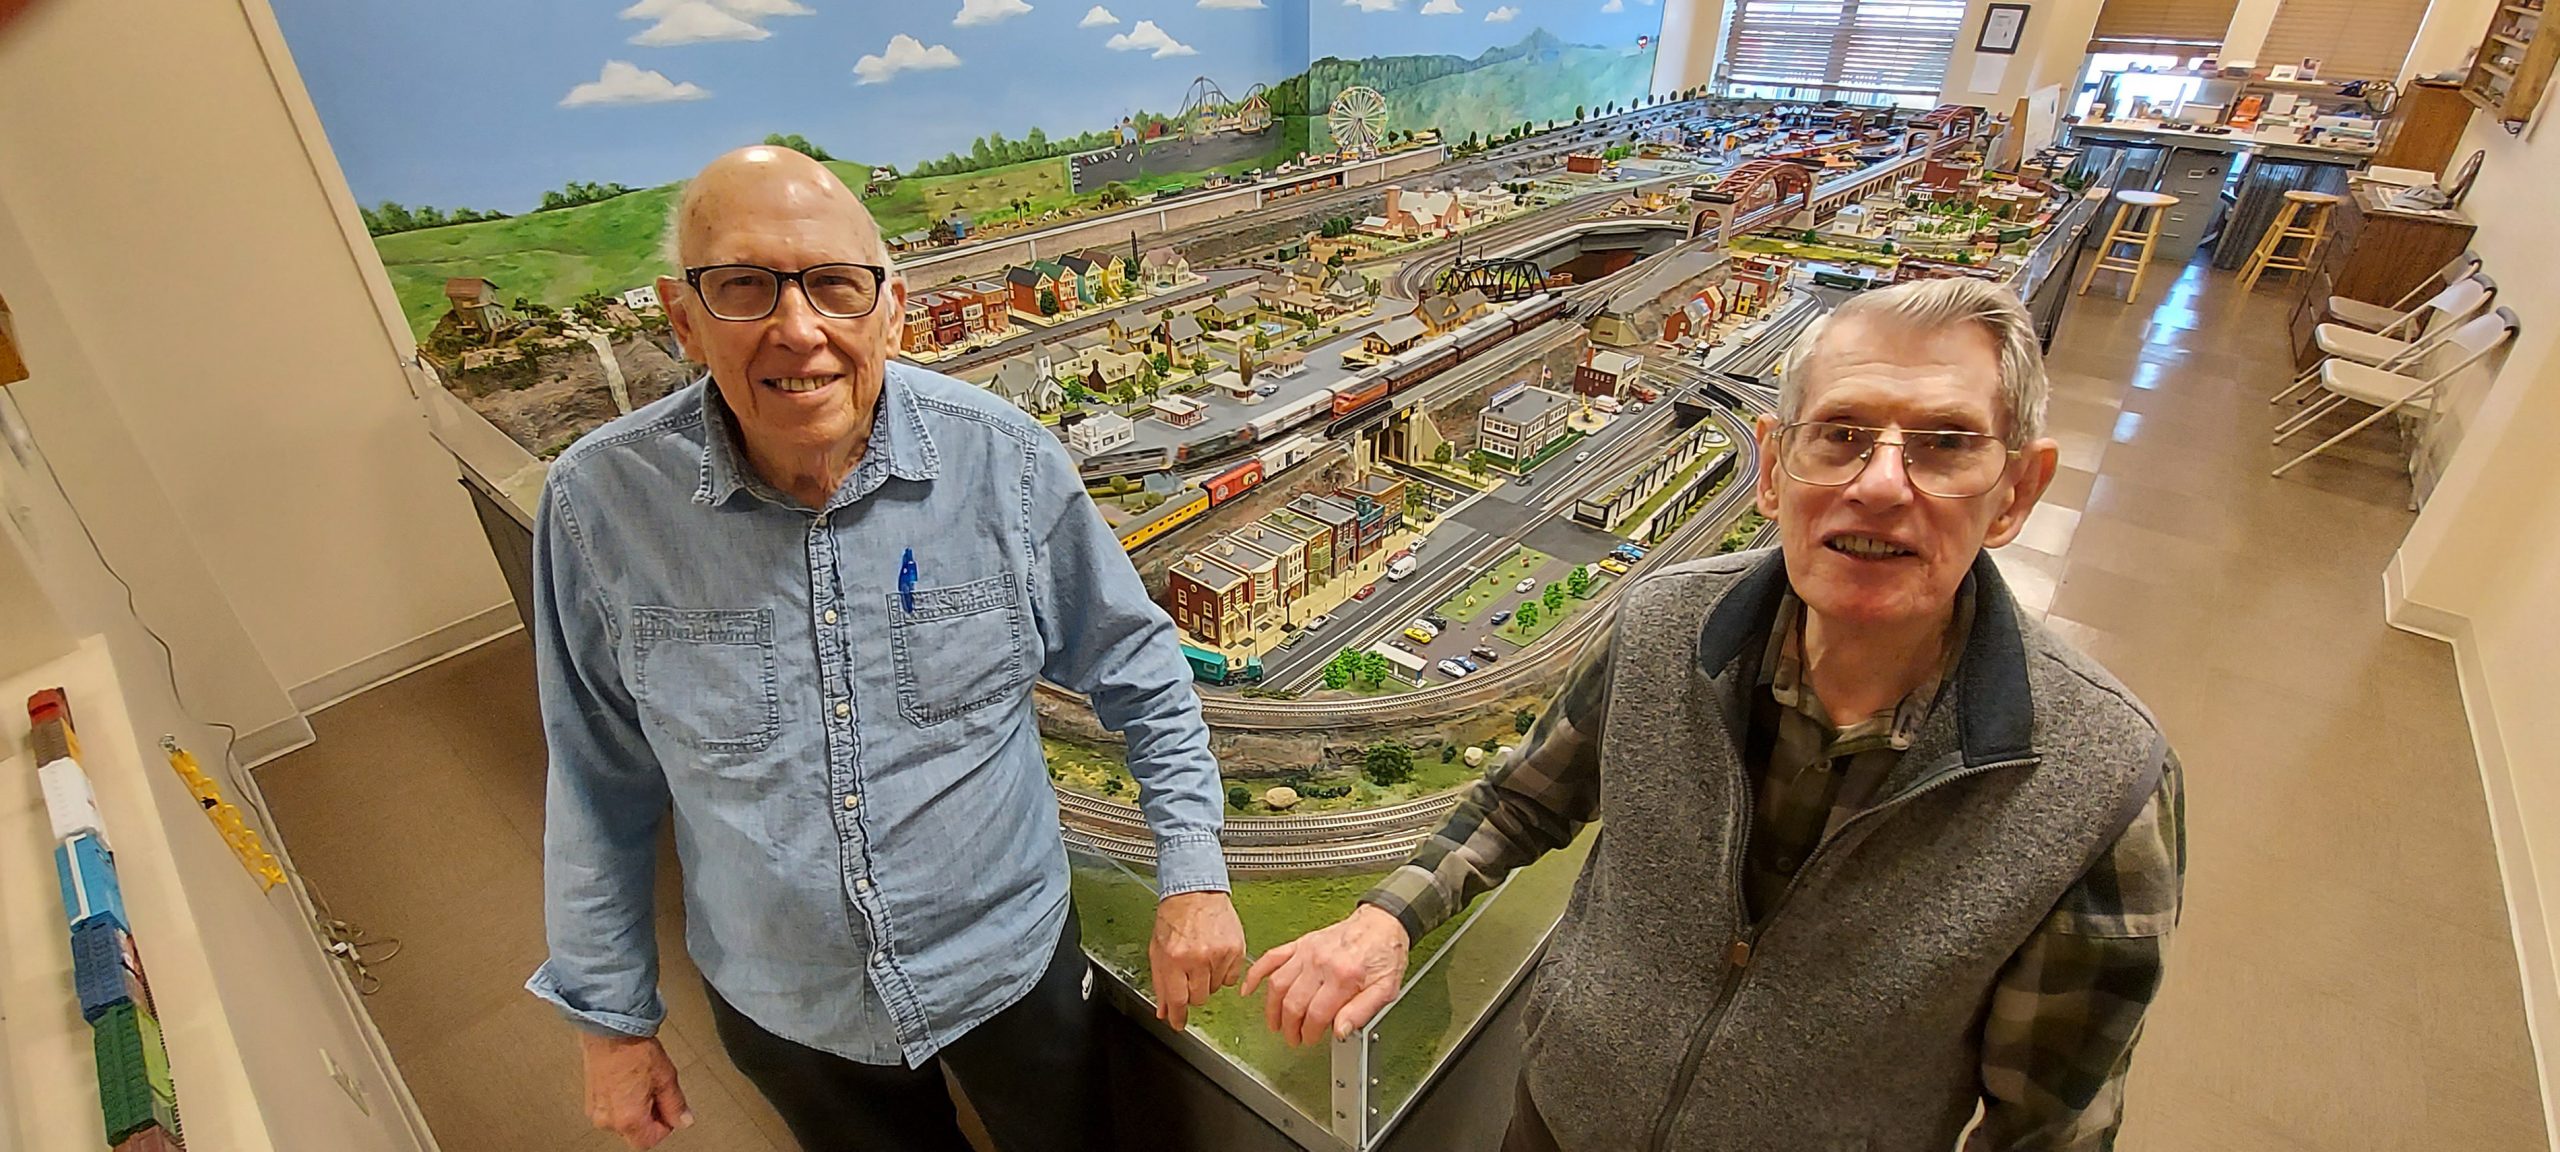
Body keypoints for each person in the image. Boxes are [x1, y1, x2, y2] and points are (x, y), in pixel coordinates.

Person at [1246, 279, 2185, 1150]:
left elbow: (2047, 1130)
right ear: (1775, 469)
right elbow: (1522, 801)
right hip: (1559, 1121)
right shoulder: (1662, 624)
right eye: (1842, 434)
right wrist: (1389, 921)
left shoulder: (2097, 780)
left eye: (1944, 444)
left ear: (2016, 490)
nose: (1881, 484)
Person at [525, 146, 1246, 1152]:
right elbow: (595, 778)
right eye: (743, 286)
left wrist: (1193, 870)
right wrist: (609, 1022)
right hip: (786, 1004)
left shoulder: (1004, 463)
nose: (797, 327)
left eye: (833, 283)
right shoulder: (598, 507)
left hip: (1009, 969)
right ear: (683, 318)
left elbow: (1143, 672)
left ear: (891, 310)